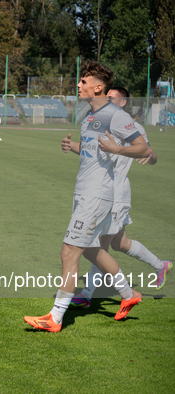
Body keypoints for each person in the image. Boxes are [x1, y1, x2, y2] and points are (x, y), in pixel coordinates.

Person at [24, 61, 152, 332]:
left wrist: (118, 149)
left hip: (96, 196)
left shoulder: (115, 115)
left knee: (69, 252)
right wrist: (73, 146)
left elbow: (143, 148)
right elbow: (94, 152)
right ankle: (129, 295)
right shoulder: (89, 116)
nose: (78, 85)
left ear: (98, 87)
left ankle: (55, 318)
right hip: (84, 192)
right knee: (93, 251)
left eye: (83, 81)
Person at [69, 87, 170, 307]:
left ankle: (88, 294)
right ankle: (160, 265)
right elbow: (95, 152)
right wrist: (73, 146)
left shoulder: (132, 126)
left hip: (116, 193)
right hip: (102, 190)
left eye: (111, 98)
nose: (107, 101)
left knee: (98, 245)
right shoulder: (102, 121)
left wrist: (149, 155)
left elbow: (150, 154)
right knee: (119, 244)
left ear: (122, 103)